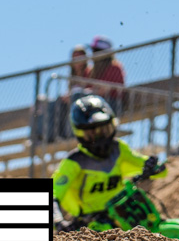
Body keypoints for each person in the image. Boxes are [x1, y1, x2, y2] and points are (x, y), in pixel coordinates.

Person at [52, 95, 166, 227]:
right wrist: (57, 222)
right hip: (91, 225)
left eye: (104, 130)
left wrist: (153, 167)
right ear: (80, 133)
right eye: (93, 134)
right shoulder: (74, 162)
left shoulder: (119, 149)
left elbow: (158, 170)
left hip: (125, 213)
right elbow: (52, 194)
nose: (101, 138)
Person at [89, 36, 126, 114]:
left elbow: (105, 90)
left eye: (96, 51)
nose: (93, 53)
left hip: (112, 103)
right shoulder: (92, 71)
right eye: (93, 50)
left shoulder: (114, 67)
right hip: (96, 102)